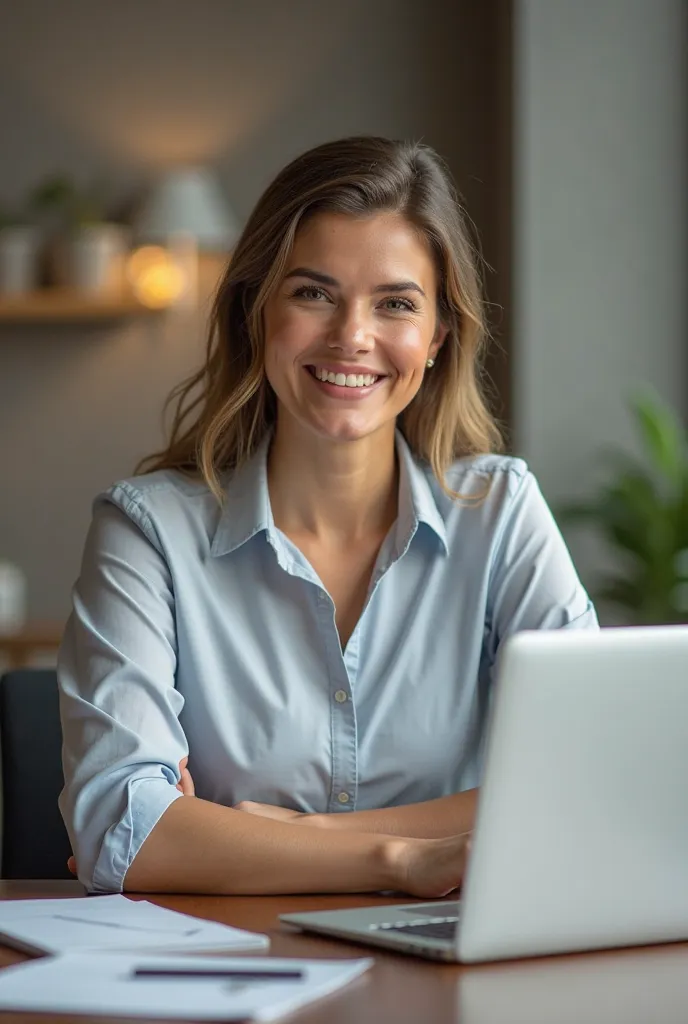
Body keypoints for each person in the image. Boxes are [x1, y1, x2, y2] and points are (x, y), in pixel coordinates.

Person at [58, 136, 598, 897]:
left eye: (396, 304)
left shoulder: (501, 513)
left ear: (438, 336)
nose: (352, 336)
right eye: (313, 293)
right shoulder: (146, 532)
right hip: (222, 974)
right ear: (256, 310)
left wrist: (271, 835)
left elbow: (588, 786)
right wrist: (403, 858)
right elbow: (124, 831)